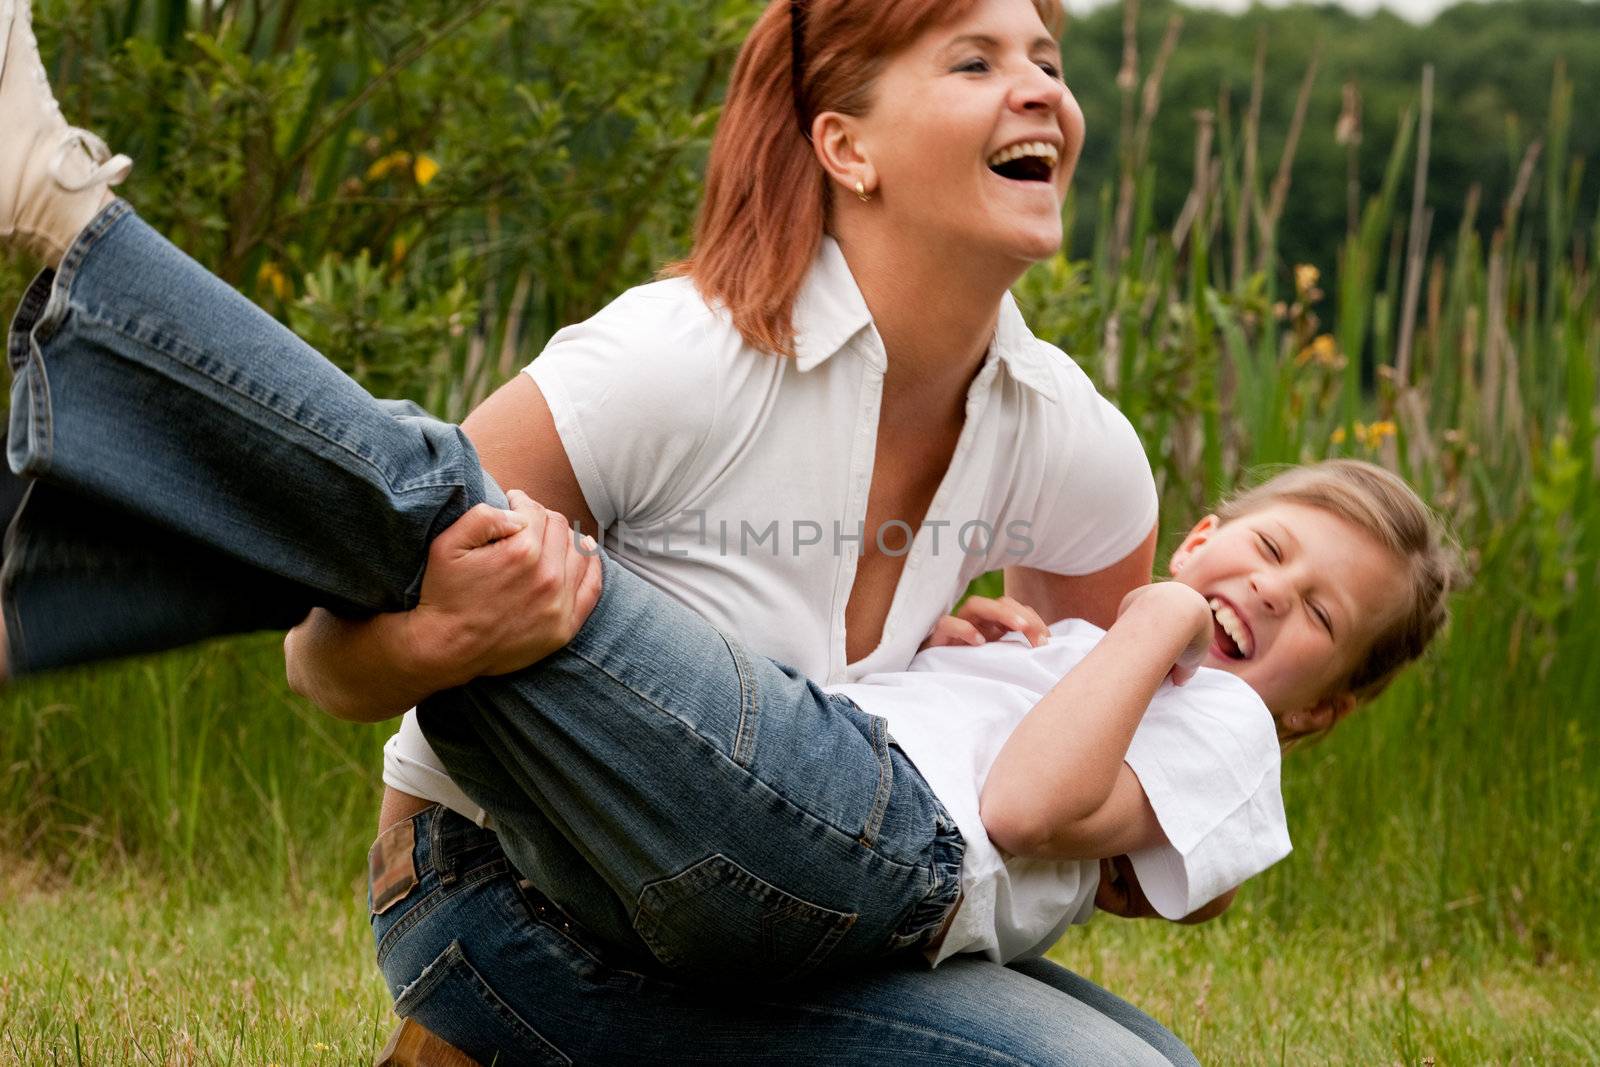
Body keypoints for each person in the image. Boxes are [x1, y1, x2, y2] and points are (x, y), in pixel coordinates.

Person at [2, 0, 1255, 1061]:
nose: (1037, 89)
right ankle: (64, 238)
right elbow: (324, 655)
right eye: (976, 62)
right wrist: (444, 631)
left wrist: (989, 680)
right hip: (519, 892)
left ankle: (47, 578)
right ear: (847, 148)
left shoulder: (1078, 451)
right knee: (437, 512)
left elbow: (1091, 812)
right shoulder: (680, 358)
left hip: (819, 909)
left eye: (1046, 58)